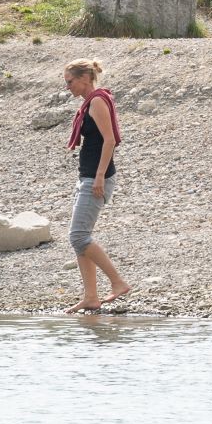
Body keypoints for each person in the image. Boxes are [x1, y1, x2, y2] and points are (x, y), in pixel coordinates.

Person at [62, 60, 131, 313]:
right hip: (88, 176)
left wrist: (100, 176)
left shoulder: (98, 101)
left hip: (96, 177)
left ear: (84, 78)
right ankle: (91, 296)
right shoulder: (91, 101)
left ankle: (117, 281)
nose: (68, 86)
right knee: (81, 239)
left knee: (78, 236)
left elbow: (110, 140)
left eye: (70, 81)